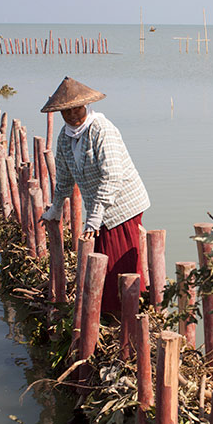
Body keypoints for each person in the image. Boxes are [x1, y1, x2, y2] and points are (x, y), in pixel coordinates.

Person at [40, 76, 150, 313]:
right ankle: (109, 313)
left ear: (86, 106)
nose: (71, 115)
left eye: (76, 108)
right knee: (102, 260)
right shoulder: (65, 136)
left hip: (122, 205)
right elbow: (65, 178)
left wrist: (94, 218)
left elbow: (112, 176)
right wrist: (56, 209)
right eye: (65, 111)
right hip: (100, 209)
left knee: (117, 265)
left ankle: (125, 314)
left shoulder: (101, 129)